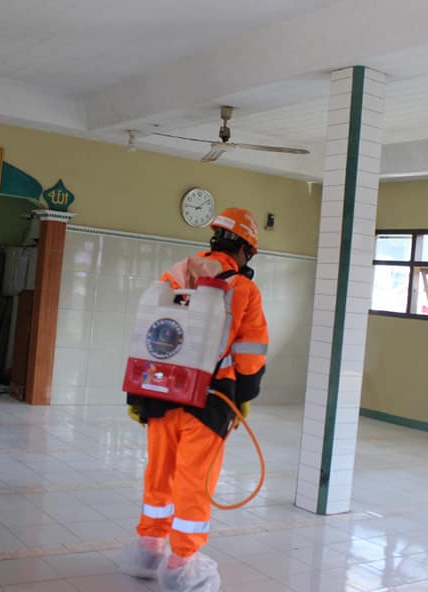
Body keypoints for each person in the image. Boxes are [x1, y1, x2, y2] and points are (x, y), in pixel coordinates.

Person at [118, 208, 269, 592]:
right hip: (210, 400)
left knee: (160, 472)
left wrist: (138, 394)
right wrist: (244, 396)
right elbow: (250, 354)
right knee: (194, 480)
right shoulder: (243, 289)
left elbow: (149, 332)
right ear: (245, 250)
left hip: (160, 393)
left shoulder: (174, 275)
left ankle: (148, 551)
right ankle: (182, 565)